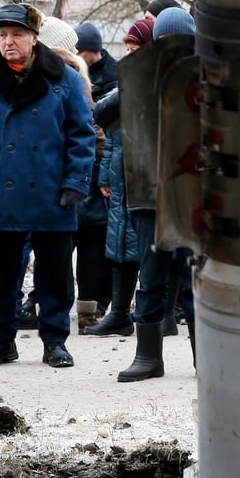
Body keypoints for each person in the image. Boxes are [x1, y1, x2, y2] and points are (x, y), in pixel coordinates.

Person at [0, 3, 96, 368]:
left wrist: (76, 181)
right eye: (2, 35)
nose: (8, 42)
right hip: (2, 189)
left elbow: (81, 134)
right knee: (0, 272)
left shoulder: (63, 77)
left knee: (55, 272)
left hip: (52, 190)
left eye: (16, 34)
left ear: (34, 38)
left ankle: (55, 341)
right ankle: (0, 341)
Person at [116, 7, 196, 382]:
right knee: (149, 279)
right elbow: (100, 113)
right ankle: (148, 357)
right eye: (164, 41)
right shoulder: (138, 78)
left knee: (198, 281)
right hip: (148, 194)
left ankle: (208, 360)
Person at [38, 15, 109, 332]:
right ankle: (86, 312)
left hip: (51, 172)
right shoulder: (76, 73)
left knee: (58, 247)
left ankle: (53, 308)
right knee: (89, 243)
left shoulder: (48, 73)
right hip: (83, 170)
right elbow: (92, 128)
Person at [84, 17, 154, 338]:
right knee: (118, 243)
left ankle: (154, 314)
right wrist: (104, 175)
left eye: (135, 48)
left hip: (145, 177)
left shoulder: (151, 82)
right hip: (120, 176)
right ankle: (120, 312)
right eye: (126, 49)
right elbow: (107, 132)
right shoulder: (126, 83)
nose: (129, 55)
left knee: (147, 247)